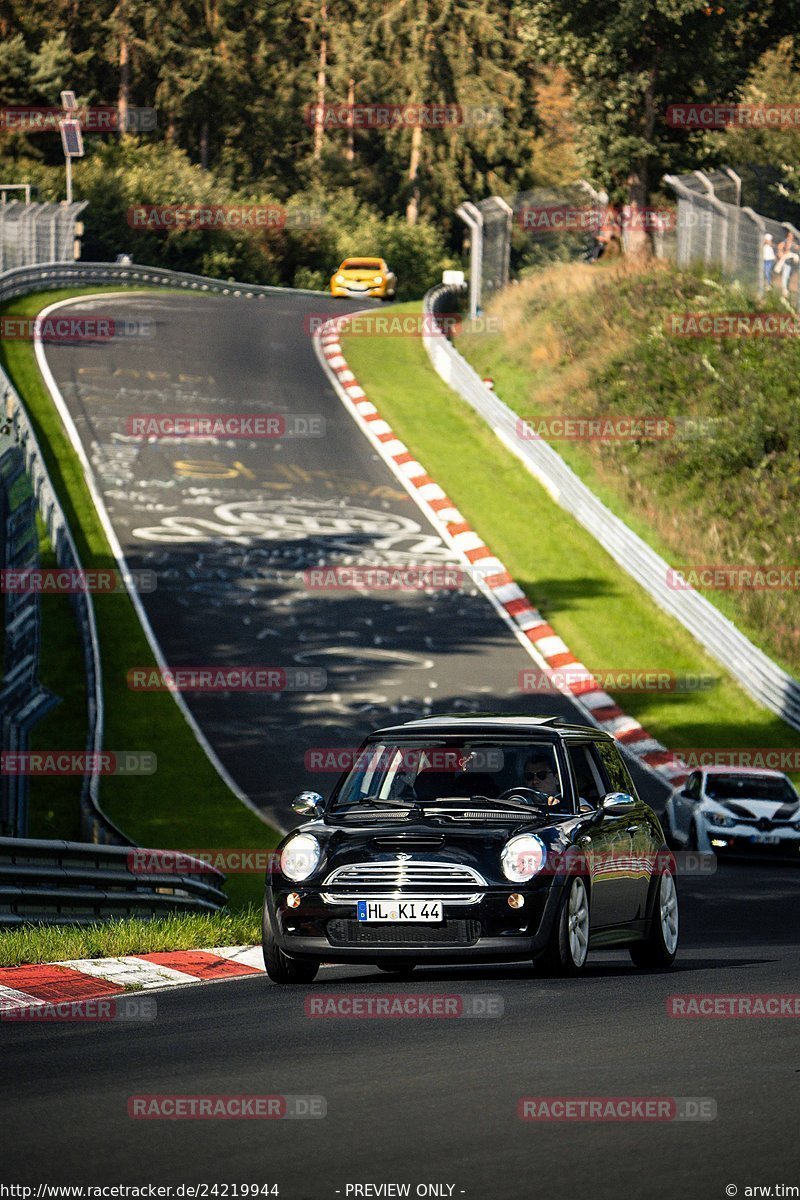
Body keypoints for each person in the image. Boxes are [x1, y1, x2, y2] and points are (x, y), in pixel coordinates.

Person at [775, 230, 799, 298]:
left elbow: (797, 248)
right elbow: (779, 247)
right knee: (785, 276)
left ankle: (786, 288)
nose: (791, 236)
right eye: (790, 235)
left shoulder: (793, 243)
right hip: (786, 262)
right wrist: (782, 253)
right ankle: (784, 290)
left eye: (792, 235)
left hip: (791, 263)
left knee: (788, 276)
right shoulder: (785, 241)